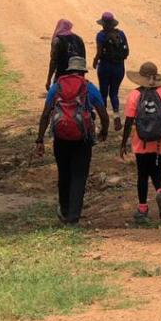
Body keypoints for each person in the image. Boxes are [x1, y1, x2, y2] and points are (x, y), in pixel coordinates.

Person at [36, 55, 109, 224]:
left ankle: (64, 210)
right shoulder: (89, 88)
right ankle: (74, 216)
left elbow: (46, 114)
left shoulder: (57, 87)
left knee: (64, 173)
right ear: (83, 72)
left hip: (60, 138)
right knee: (79, 176)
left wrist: (39, 139)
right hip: (83, 139)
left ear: (69, 70)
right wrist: (104, 131)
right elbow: (104, 115)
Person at [120, 61, 161, 223]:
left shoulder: (134, 95)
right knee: (157, 170)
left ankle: (142, 208)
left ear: (141, 78)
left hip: (141, 140)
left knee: (142, 174)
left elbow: (129, 121)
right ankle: (160, 191)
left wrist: (123, 142)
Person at [93, 11, 130, 132]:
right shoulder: (121, 34)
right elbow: (127, 51)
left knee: (103, 93)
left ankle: (103, 121)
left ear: (103, 24)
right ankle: (116, 115)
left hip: (105, 66)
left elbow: (99, 52)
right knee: (114, 93)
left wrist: (95, 61)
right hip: (119, 67)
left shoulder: (101, 35)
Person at [46, 19, 86, 90]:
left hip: (62, 74)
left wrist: (48, 80)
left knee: (58, 93)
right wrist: (82, 77)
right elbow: (83, 59)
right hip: (77, 74)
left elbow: (53, 61)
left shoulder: (57, 41)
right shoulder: (79, 39)